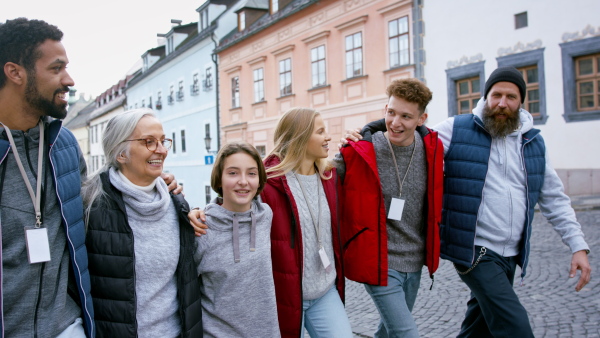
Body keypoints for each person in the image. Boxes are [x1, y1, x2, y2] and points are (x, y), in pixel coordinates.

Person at [358, 67, 592, 337]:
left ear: (521, 102)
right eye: (496, 95)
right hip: (475, 252)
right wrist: (368, 131)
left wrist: (578, 246)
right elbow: (409, 128)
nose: (502, 103)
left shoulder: (534, 143)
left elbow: (554, 199)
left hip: (511, 255)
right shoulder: (457, 129)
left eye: (511, 97)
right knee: (515, 326)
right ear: (486, 96)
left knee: (477, 329)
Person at [191, 108, 352, 337]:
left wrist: (365, 131)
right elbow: (235, 201)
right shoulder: (270, 182)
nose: (328, 137)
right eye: (320, 131)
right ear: (300, 137)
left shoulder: (329, 175)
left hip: (325, 290)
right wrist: (198, 212)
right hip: (285, 295)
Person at [0, 18, 94, 337]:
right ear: (15, 72)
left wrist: (160, 190)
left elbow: (94, 208)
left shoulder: (64, 143)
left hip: (66, 326)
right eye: (56, 68)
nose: (68, 79)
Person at [334, 78, 443, 337]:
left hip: (414, 261)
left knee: (389, 332)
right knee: (406, 333)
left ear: (422, 118)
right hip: (379, 260)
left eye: (406, 116)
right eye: (391, 112)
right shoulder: (362, 148)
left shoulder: (432, 149)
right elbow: (323, 179)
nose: (395, 122)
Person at [82, 109, 202, 337]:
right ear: (121, 154)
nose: (162, 150)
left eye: (163, 141)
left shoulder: (177, 204)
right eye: (149, 142)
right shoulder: (90, 206)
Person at [195, 142, 279, 337]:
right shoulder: (201, 228)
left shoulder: (265, 215)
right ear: (219, 179)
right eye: (233, 173)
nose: (243, 181)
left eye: (251, 173)